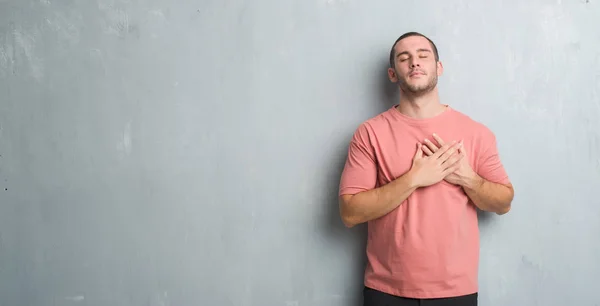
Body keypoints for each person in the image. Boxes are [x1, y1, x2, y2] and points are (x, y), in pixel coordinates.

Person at [338, 32, 514, 306]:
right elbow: (350, 213)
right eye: (404, 58)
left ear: (438, 67)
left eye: (423, 55)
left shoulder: (476, 133)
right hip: (386, 290)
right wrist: (414, 179)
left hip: (456, 291)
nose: (414, 63)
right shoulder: (369, 133)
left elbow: (504, 203)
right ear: (393, 74)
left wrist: (468, 178)